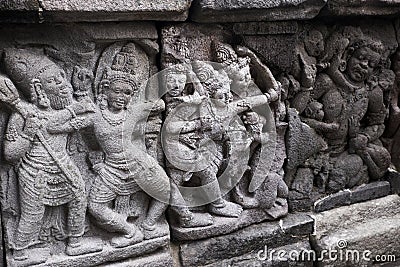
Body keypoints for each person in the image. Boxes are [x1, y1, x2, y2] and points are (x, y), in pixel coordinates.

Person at [0, 49, 101, 264]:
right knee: (32, 214)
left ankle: (75, 243)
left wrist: (82, 99)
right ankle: (19, 252)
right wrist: (27, 134)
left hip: (62, 163)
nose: (64, 85)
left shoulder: (59, 109)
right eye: (54, 81)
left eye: (62, 77)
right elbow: (10, 154)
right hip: (35, 171)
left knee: (78, 197)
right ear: (38, 88)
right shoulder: (21, 116)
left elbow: (65, 123)